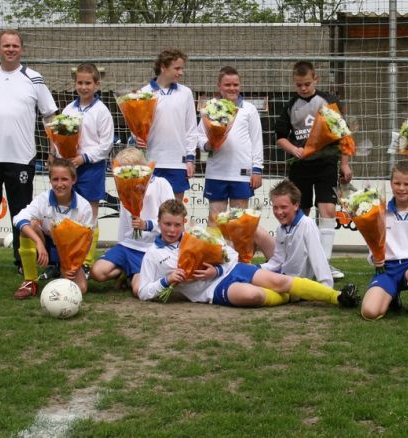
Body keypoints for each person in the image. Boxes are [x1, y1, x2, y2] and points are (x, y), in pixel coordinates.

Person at [137, 200, 359, 308]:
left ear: (184, 222)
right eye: (167, 224)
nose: (172, 230)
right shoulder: (152, 254)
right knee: (253, 296)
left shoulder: (197, 235)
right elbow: (144, 292)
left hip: (231, 270)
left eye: (177, 225)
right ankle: (293, 295)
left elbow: (231, 255)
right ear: (159, 222)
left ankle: (337, 297)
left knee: (279, 281)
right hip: (211, 290)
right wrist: (167, 280)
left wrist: (216, 270)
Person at [0, 29, 58, 278]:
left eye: (15, 45)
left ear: (21, 49)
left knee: (22, 213)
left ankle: (22, 259)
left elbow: (49, 116)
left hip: (21, 158)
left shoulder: (34, 78)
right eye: (6, 45)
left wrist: (53, 150)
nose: (10, 49)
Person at [274, 60, 352, 280]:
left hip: (326, 163)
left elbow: (343, 135)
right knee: (301, 213)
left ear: (315, 79)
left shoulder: (329, 101)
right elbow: (280, 137)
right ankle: (299, 261)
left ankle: (324, 264)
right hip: (300, 167)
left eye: (307, 84)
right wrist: (294, 150)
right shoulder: (290, 106)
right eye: (299, 85)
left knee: (328, 210)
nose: (303, 88)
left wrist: (345, 163)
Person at [90, 148, 175, 296]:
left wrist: (147, 225)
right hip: (128, 246)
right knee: (96, 272)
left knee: (138, 290)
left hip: (150, 248)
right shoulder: (124, 187)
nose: (126, 175)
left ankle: (139, 274)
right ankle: (125, 270)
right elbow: (124, 223)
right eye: (122, 171)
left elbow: (172, 218)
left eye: (130, 170)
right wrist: (120, 244)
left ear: (142, 167)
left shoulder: (161, 184)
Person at [360, 161, 408, 320]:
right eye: (397, 183)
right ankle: (392, 296)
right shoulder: (380, 211)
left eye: (407, 184)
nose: (401, 188)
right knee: (369, 312)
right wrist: (374, 257)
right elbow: (373, 241)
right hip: (387, 270)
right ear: (391, 183)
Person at [53, 63, 114, 268]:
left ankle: (87, 261)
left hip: (91, 169)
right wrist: (60, 156)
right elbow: (59, 137)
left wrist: (84, 158)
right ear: (75, 84)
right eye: (80, 83)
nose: (84, 87)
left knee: (91, 213)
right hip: (69, 168)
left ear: (97, 85)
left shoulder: (102, 111)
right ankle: (68, 256)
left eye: (88, 83)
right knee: (68, 212)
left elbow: (106, 145)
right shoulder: (68, 109)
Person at [12, 158, 93, 298]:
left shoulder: (84, 206)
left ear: (73, 180)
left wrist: (75, 265)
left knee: (81, 288)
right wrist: (38, 242)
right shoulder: (42, 199)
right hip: (45, 247)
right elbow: (18, 218)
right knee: (31, 225)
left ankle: (60, 269)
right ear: (50, 180)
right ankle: (30, 281)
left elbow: (86, 242)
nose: (59, 184)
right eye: (55, 179)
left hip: (69, 252)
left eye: (64, 179)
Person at [198, 66, 263, 224]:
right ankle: (215, 243)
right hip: (216, 172)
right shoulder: (210, 109)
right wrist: (207, 145)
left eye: (235, 84)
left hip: (242, 173)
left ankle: (237, 244)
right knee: (215, 221)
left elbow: (257, 141)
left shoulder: (249, 109)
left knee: (238, 222)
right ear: (219, 86)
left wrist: (257, 169)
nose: (232, 88)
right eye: (227, 85)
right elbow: (199, 136)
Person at [136, 49, 197, 201]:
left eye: (182, 68)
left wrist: (190, 159)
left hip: (177, 163)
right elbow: (136, 125)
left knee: (175, 210)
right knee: (150, 209)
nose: (181, 72)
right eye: (177, 68)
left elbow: (191, 129)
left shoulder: (186, 93)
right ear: (163, 67)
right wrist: (136, 137)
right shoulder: (144, 92)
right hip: (151, 161)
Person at [259, 179, 333, 287]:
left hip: (296, 284)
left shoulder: (307, 224)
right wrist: (257, 268)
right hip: (282, 278)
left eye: (283, 207)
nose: (279, 212)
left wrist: (326, 285)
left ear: (296, 205)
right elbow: (278, 261)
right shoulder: (280, 229)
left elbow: (318, 258)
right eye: (275, 207)